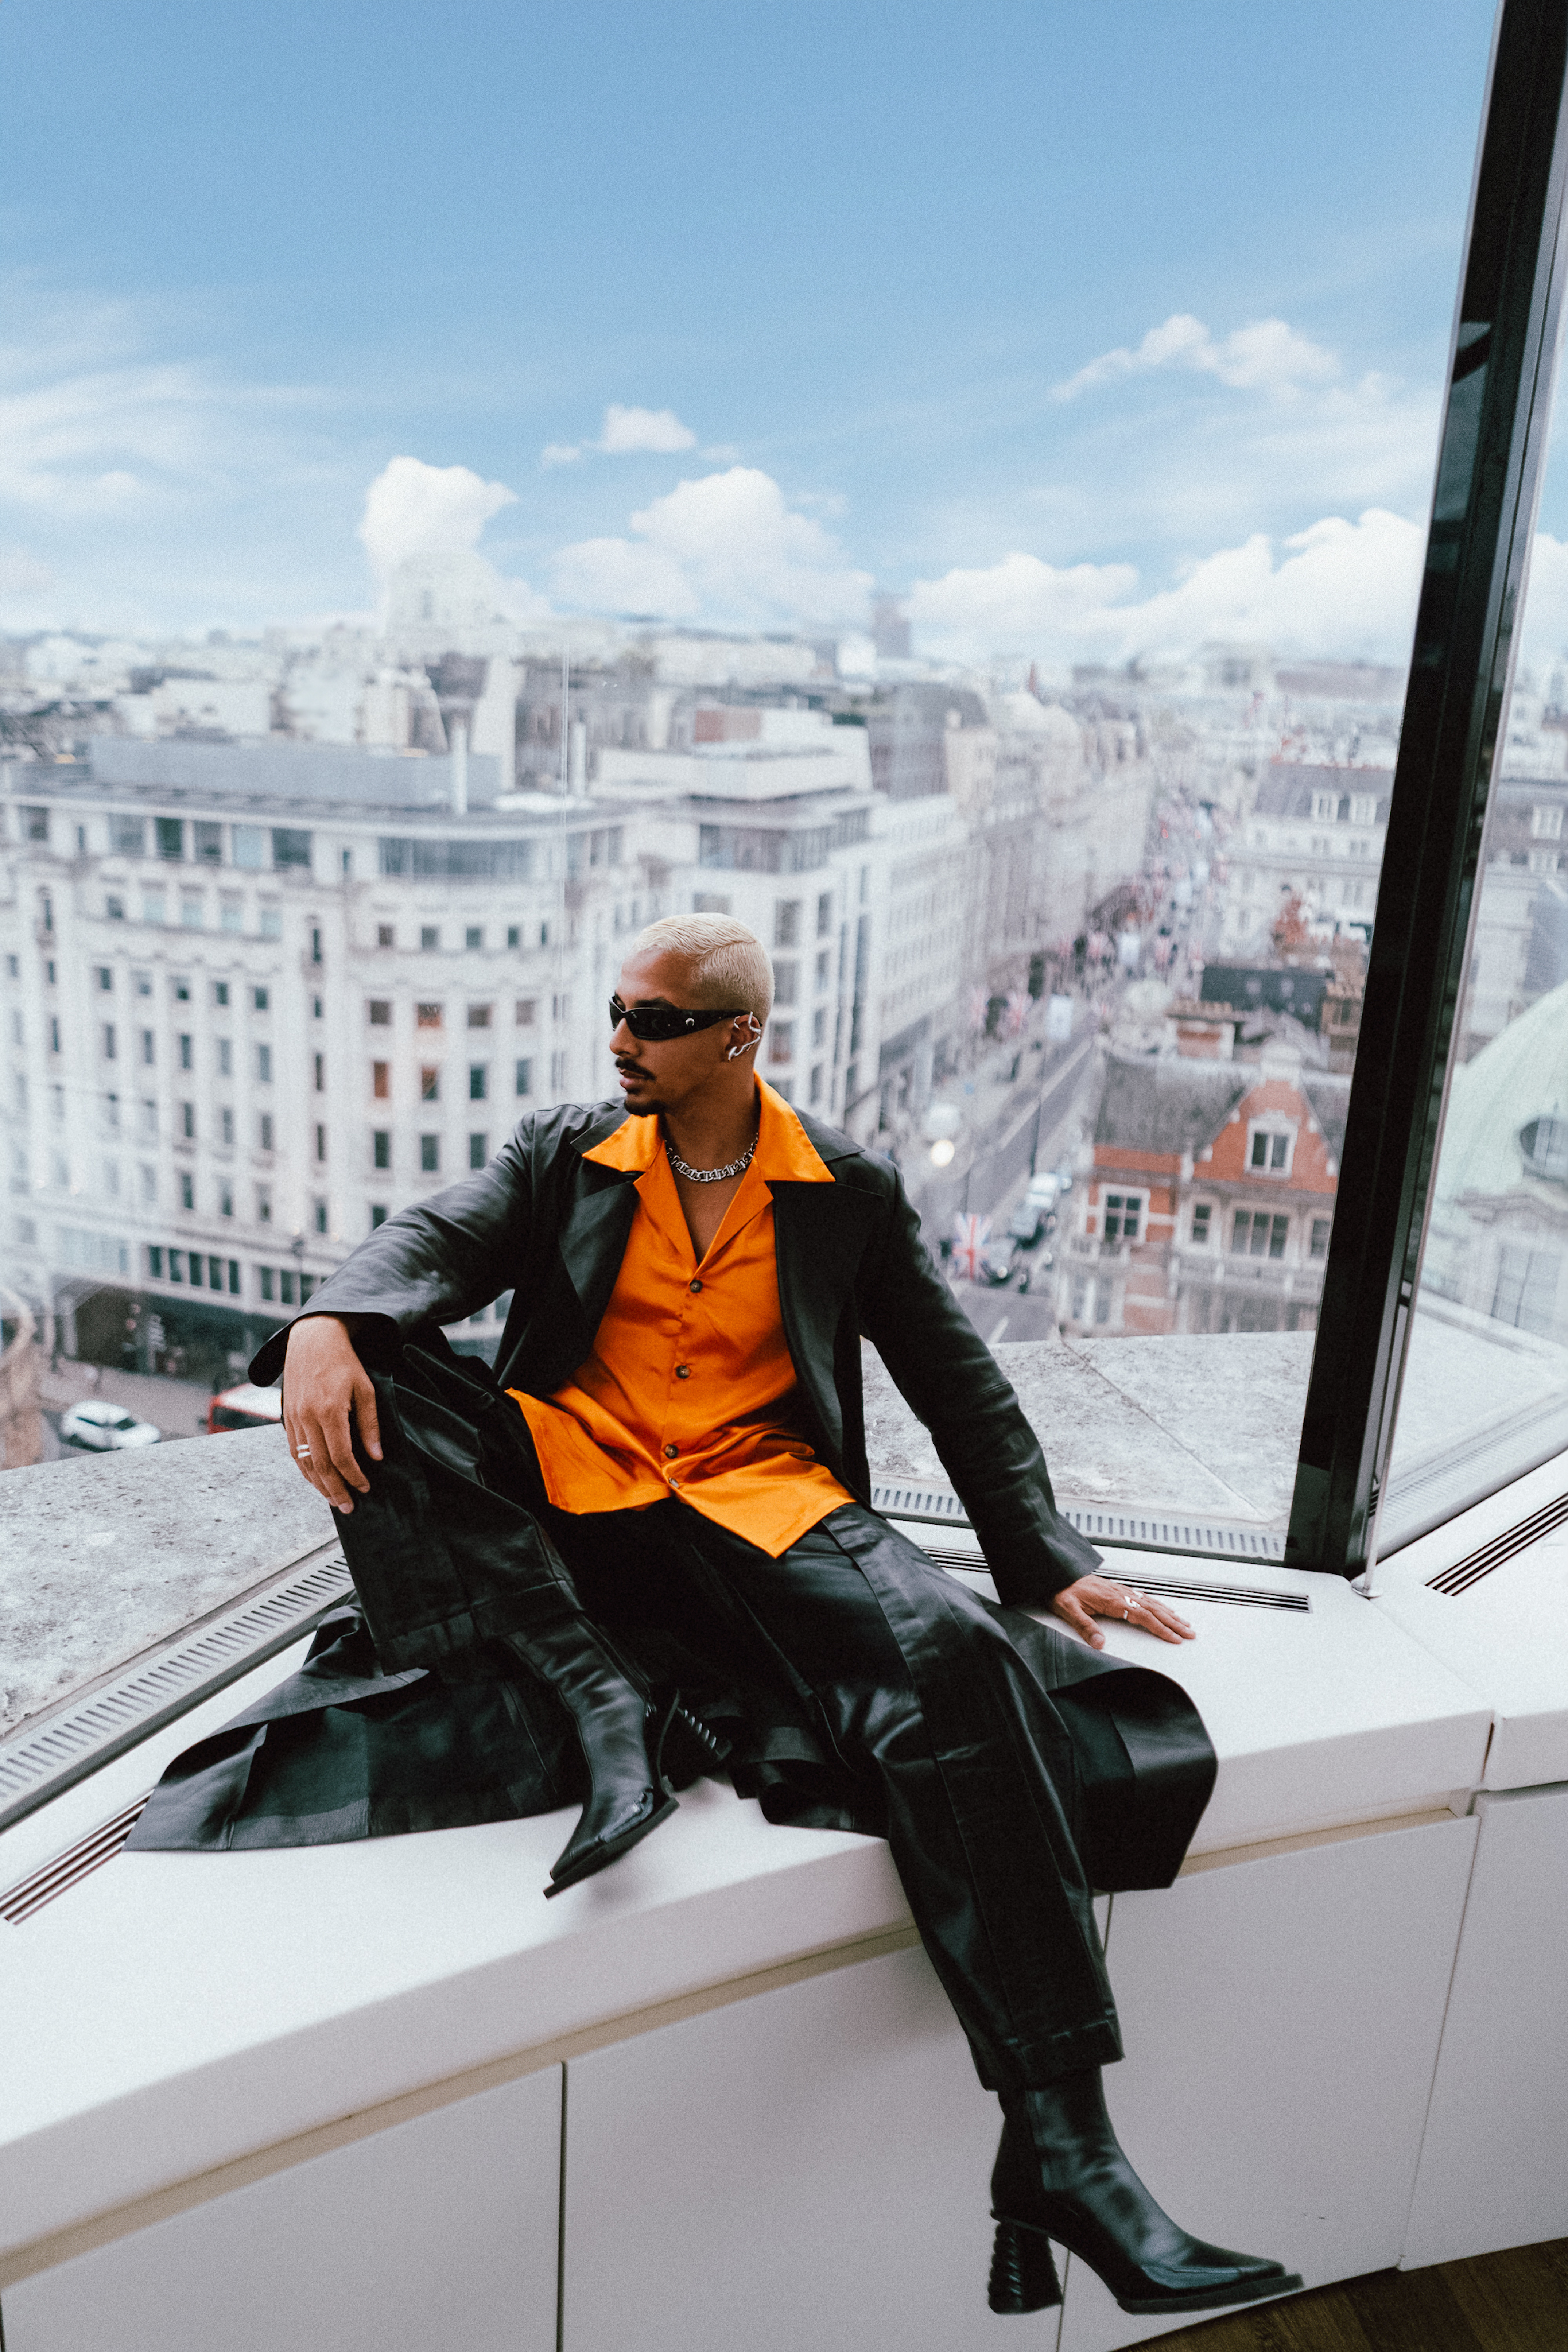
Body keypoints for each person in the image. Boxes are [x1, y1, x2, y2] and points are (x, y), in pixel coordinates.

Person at [147, 913, 1299, 2322]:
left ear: (738, 1036)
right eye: (616, 1013)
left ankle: (1067, 2153)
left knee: (951, 1655)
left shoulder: (844, 1192)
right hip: (572, 1490)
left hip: (762, 1501)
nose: (619, 1040)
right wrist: (329, 1322)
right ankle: (596, 1689)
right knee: (386, 1366)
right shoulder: (564, 1154)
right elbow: (429, 1240)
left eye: (653, 1020)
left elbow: (955, 1377)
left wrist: (1040, 1556)